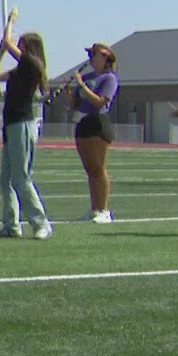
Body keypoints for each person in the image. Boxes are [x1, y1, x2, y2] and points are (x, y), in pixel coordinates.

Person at [0, 23, 51, 240]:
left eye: (21, 45)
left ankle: (40, 222)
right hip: (10, 125)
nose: (17, 47)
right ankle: (11, 225)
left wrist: (10, 23)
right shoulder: (19, 70)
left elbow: (8, 42)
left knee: (20, 177)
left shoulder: (32, 65)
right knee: (5, 179)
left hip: (22, 125)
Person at [70, 42, 120, 222]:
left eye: (95, 54)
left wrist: (83, 86)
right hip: (82, 122)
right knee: (90, 170)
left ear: (106, 57)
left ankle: (104, 210)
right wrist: (70, 92)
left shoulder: (109, 78)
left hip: (97, 123)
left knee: (99, 168)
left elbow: (100, 102)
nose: (91, 58)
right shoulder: (87, 76)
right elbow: (75, 103)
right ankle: (94, 209)